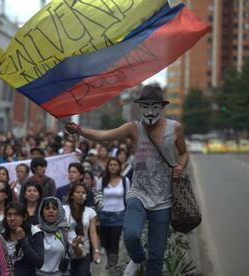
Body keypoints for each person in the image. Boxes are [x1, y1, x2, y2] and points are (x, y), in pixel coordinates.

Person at [65, 84, 189, 276]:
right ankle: (137, 259)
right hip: (138, 193)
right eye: (145, 106)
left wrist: (180, 166)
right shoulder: (134, 128)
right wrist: (80, 131)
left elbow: (183, 154)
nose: (149, 111)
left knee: (156, 255)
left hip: (164, 199)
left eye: (154, 106)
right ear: (139, 107)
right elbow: (104, 136)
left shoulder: (175, 128)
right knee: (130, 235)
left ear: (162, 106)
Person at [97, 157, 130, 269]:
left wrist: (127, 214)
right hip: (104, 214)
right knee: (105, 241)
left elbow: (128, 198)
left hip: (119, 214)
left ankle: (113, 264)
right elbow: (98, 197)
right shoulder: (101, 180)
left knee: (114, 239)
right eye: (111, 164)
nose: (113, 167)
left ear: (119, 167)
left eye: (115, 164)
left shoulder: (125, 181)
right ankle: (110, 259)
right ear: (108, 166)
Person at [37, 197, 83, 276]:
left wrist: (75, 247)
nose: (51, 211)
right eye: (47, 208)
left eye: (54, 209)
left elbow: (78, 254)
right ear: (41, 212)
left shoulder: (66, 230)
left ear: (59, 212)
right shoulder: (35, 230)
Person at [63, 183, 100, 275]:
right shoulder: (63, 210)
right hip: (66, 252)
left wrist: (96, 251)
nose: (81, 194)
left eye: (83, 193)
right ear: (72, 195)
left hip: (84, 251)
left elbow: (93, 232)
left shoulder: (90, 212)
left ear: (86, 196)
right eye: (78, 192)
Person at [3, 202, 44, 276]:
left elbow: (39, 263)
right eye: (9, 215)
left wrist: (23, 241)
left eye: (16, 215)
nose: (12, 218)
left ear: (24, 216)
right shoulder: (1, 233)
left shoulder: (35, 232)